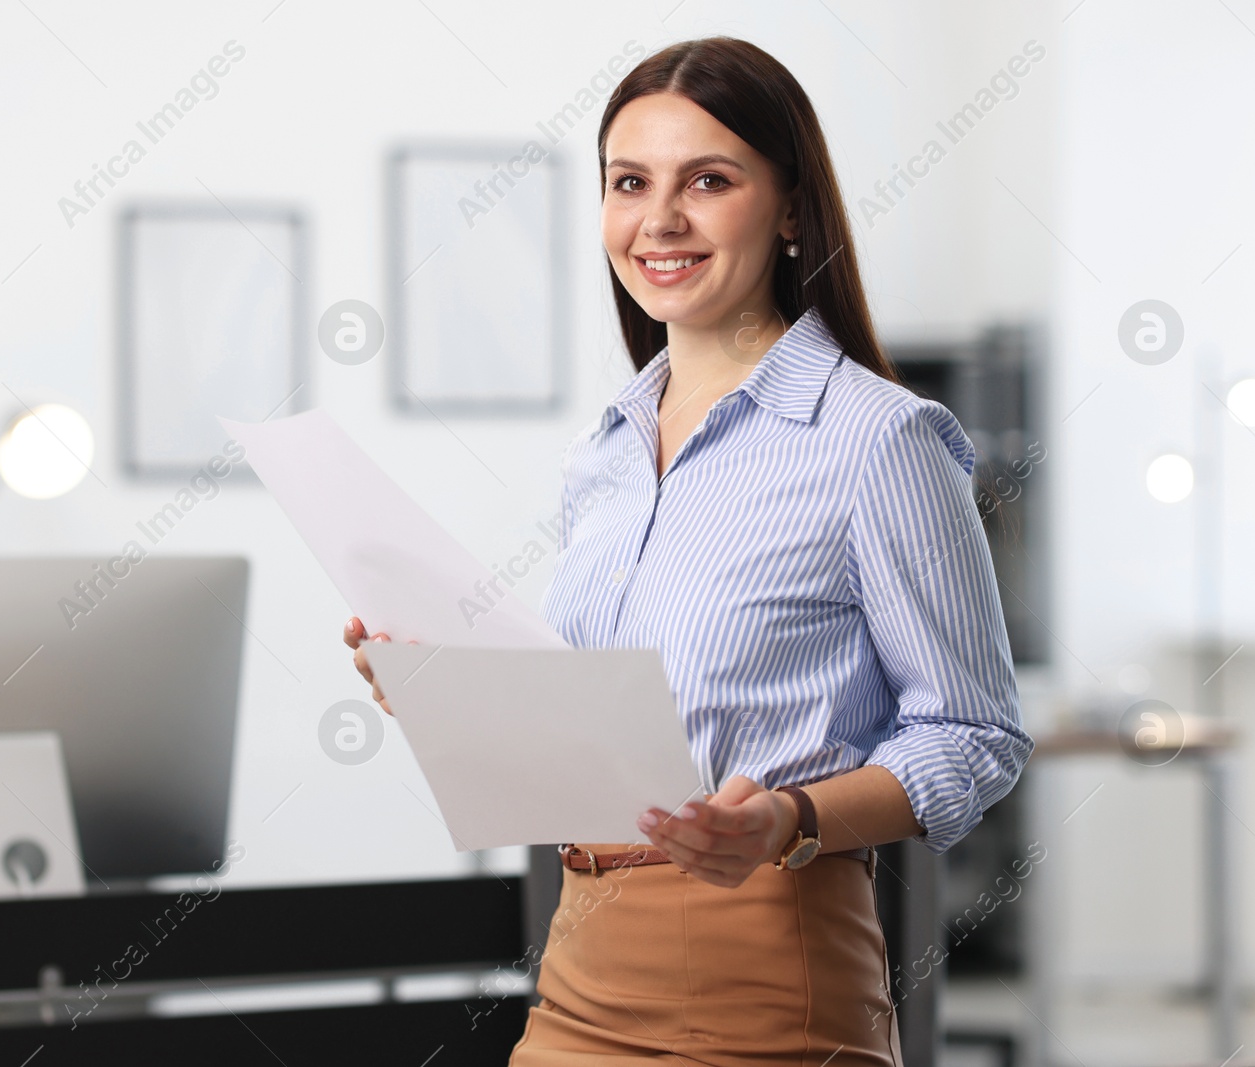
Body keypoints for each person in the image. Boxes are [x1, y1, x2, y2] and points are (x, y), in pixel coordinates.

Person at [345, 35, 1034, 1066]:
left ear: (792, 208)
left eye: (707, 180)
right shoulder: (605, 452)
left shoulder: (878, 440)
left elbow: (975, 733)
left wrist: (789, 816)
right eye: (630, 182)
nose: (658, 219)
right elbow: (604, 738)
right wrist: (445, 690)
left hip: (763, 979)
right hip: (578, 969)